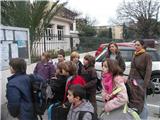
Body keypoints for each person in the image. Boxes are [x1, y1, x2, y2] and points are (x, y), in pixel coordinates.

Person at [128, 39, 152, 120]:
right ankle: (136, 117)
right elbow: (132, 69)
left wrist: (145, 85)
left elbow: (148, 71)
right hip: (132, 81)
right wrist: (128, 79)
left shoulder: (146, 55)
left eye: (138, 45)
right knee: (135, 101)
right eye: (135, 45)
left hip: (141, 82)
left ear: (142, 46)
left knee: (143, 101)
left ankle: (144, 118)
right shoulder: (135, 54)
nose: (136, 46)